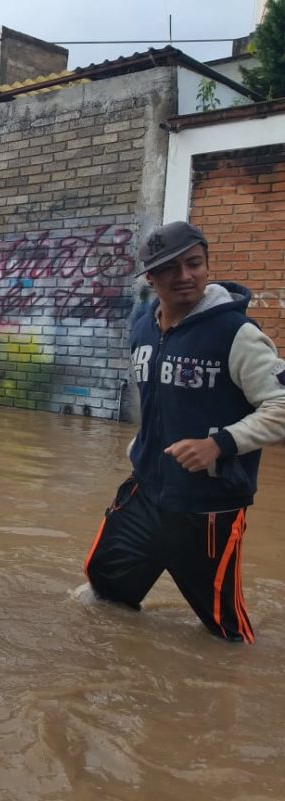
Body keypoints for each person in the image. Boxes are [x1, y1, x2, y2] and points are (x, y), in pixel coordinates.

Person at [84, 221, 285, 643]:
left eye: (194, 264)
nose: (185, 276)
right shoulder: (142, 328)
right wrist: (142, 444)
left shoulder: (237, 334)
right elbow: (159, 401)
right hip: (146, 490)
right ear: (151, 278)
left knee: (224, 630)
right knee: (105, 583)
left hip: (208, 507)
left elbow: (281, 405)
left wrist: (219, 444)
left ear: (207, 267)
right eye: (170, 269)